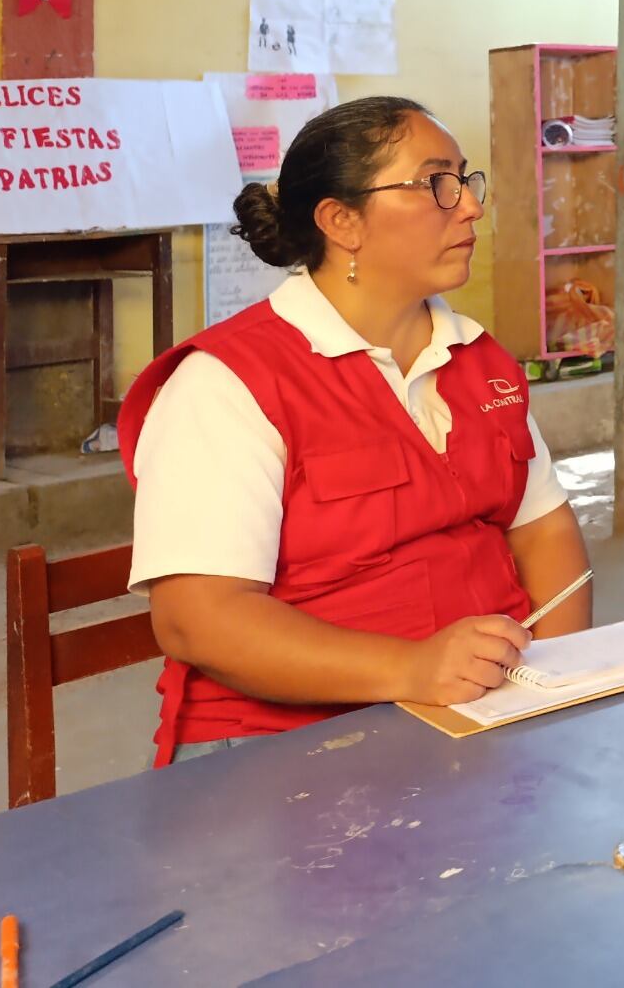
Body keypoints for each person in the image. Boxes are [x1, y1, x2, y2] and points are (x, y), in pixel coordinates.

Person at [120, 97, 591, 761]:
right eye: (436, 183)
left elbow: (545, 529)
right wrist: (414, 669)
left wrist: (553, 691)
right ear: (342, 220)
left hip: (484, 714)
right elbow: (198, 619)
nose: (470, 206)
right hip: (288, 749)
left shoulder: (478, 359)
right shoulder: (228, 382)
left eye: (464, 178)